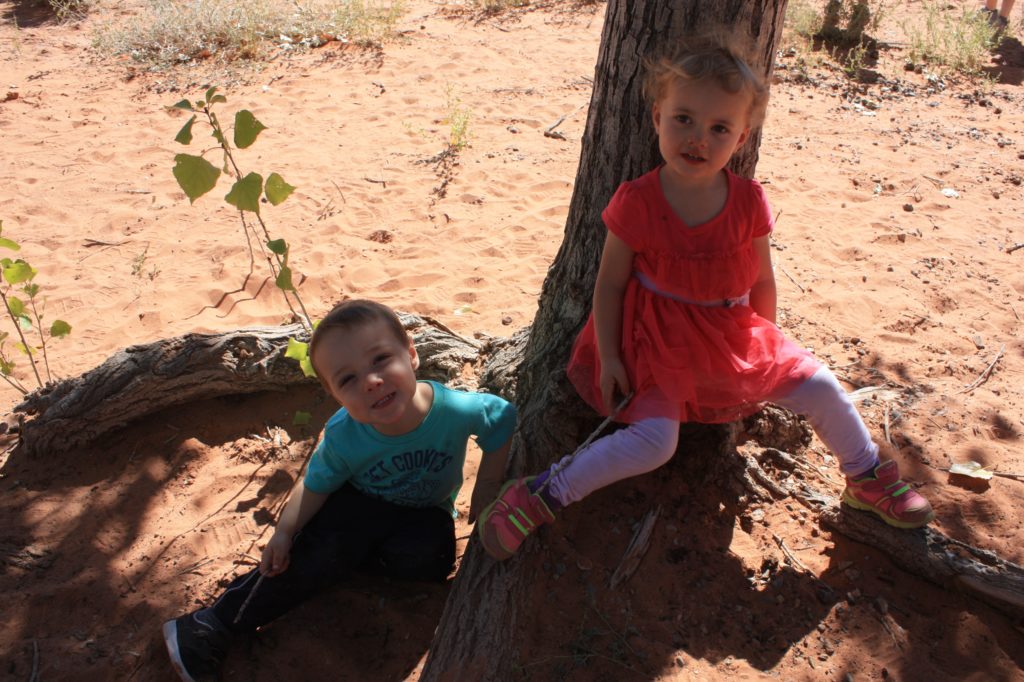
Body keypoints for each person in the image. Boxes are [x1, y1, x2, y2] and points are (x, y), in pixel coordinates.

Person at [478, 37, 935, 562]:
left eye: (719, 128)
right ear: (657, 116)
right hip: (655, 340)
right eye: (685, 119)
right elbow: (609, 285)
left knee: (822, 385)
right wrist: (609, 355)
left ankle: (866, 476)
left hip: (731, 333)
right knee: (655, 443)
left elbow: (762, 281)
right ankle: (544, 493)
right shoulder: (638, 200)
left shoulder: (748, 201)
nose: (699, 138)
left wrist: (762, 358)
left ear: (742, 137)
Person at [163, 299, 516, 680]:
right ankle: (209, 625)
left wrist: (488, 488)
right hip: (354, 507)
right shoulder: (346, 435)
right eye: (348, 379)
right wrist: (284, 533)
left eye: (381, 359)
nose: (370, 381)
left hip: (422, 513)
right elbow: (314, 486)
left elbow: (500, 419)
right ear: (337, 395)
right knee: (314, 552)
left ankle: (344, 563)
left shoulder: (454, 410)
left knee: (431, 560)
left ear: (411, 354)